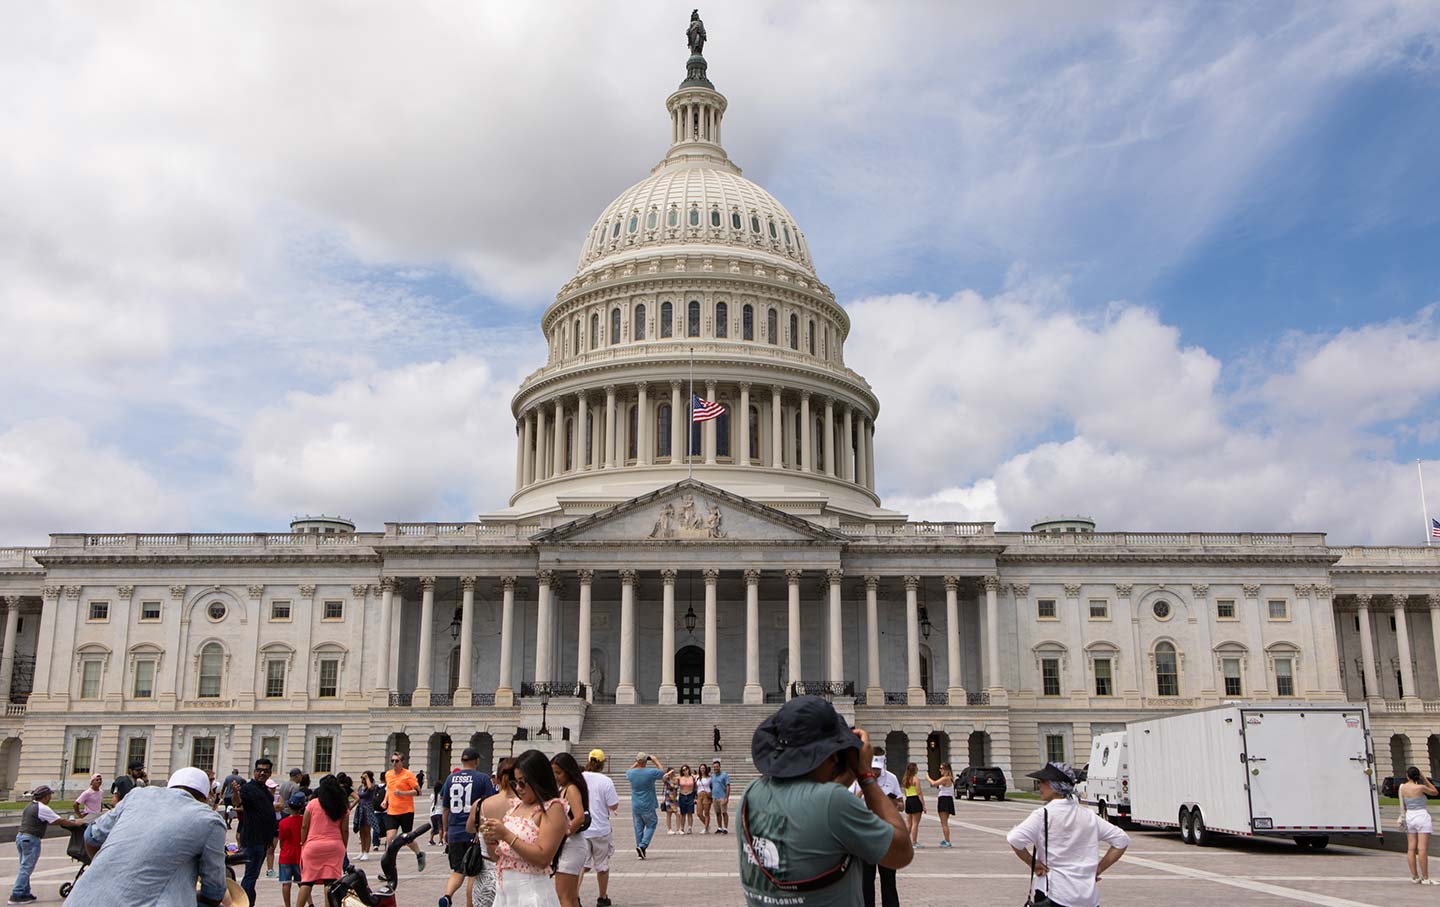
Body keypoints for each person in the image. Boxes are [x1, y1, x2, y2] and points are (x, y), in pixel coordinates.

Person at [737, 696, 912, 906]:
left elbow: (811, 813)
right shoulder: (833, 803)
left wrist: (845, 776)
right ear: (830, 754)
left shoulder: (751, 794)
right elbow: (901, 852)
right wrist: (864, 774)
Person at [67, 767, 227, 906]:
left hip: (81, 899)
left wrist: (107, 870)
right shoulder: (209, 820)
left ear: (169, 787)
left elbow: (91, 836)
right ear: (204, 798)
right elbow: (214, 891)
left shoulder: (137, 796)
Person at [1007, 763, 1130, 907]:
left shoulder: (1043, 815)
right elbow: (1121, 840)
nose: (1039, 787)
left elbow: (1014, 839)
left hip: (1054, 892)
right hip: (1087, 896)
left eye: (1043, 782)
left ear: (1054, 786)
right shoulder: (1088, 815)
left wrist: (1032, 863)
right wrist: (1099, 868)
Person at [479, 749, 566, 907]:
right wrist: (491, 840)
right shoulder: (516, 806)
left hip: (531, 893)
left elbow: (543, 858)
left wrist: (505, 835)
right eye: (515, 783)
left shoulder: (552, 808)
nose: (518, 788)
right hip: (505, 892)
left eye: (522, 782)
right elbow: (498, 857)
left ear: (538, 780)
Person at [441, 747, 498, 907]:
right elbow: (488, 805)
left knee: (458, 870)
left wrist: (445, 830)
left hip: (454, 830)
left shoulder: (451, 778)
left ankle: (447, 895)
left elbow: (445, 808)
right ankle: (470, 904)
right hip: (473, 832)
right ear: (476, 761)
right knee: (474, 872)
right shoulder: (482, 778)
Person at [9, 785, 84, 904]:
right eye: (49, 795)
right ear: (45, 796)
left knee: (25, 866)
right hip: (31, 839)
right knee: (26, 868)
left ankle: (25, 893)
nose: (50, 798)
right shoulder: (42, 808)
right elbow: (58, 820)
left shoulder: (30, 806)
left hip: (21, 837)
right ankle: (16, 894)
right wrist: (75, 823)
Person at [849, 749, 903, 907]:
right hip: (865, 835)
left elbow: (901, 805)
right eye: (872, 768)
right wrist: (863, 789)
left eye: (878, 769)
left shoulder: (891, 778)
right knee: (866, 880)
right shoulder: (856, 779)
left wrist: (891, 802)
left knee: (889, 880)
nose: (875, 772)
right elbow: (848, 803)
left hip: (887, 835)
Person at [469, 757, 517, 907]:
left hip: (486, 873)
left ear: (497, 778)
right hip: (514, 872)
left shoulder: (481, 804)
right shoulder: (524, 805)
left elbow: (470, 828)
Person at [234, 756, 280, 906]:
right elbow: (238, 802)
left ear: (270, 773)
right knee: (250, 876)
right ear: (254, 771)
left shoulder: (265, 791)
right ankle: (243, 903)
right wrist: (235, 793)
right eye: (259, 770)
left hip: (263, 842)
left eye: (265, 771)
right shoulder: (248, 789)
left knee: (252, 877)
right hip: (253, 840)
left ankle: (248, 903)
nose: (262, 773)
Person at [297, 775, 349, 907]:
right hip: (334, 845)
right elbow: (345, 830)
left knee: (307, 882)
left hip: (313, 845)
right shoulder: (342, 807)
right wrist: (344, 845)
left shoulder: (313, 803)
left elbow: (304, 826)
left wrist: (303, 842)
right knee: (330, 882)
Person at [550, 752, 592, 907]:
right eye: (553, 772)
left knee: (564, 896)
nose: (556, 776)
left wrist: (564, 834)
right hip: (573, 845)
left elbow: (579, 816)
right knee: (572, 896)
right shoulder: (565, 788)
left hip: (570, 846)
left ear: (569, 771)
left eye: (559, 773)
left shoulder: (571, 789)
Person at [580, 750, 619, 907]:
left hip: (582, 828)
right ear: (603, 764)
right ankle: (602, 897)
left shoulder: (579, 778)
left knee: (581, 865)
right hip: (601, 828)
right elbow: (613, 805)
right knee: (602, 866)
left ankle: (574, 896)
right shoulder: (606, 781)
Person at [382, 751, 426, 871]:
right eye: (392, 761)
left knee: (407, 839)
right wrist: (385, 800)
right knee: (389, 838)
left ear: (402, 762)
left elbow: (418, 792)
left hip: (406, 811)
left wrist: (402, 793)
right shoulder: (388, 774)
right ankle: (388, 868)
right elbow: (389, 789)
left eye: (397, 761)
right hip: (392, 811)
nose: (394, 763)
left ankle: (419, 854)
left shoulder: (408, 775)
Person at [1401, 765, 1440, 884]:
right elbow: (1435, 792)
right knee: (1422, 849)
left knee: (1411, 848)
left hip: (1410, 817)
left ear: (1407, 775)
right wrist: (1425, 778)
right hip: (1422, 816)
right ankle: (1426, 877)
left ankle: (1415, 876)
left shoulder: (1403, 787)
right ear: (1418, 775)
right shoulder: (1421, 787)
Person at [625, 752, 665, 860]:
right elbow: (662, 772)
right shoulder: (650, 772)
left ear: (637, 761)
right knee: (652, 824)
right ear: (646, 762)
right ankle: (643, 845)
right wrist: (655, 760)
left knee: (638, 828)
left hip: (636, 805)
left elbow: (628, 771)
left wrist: (636, 763)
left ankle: (640, 850)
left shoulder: (632, 773)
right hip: (648, 804)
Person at [277, 792, 305, 907]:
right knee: (304, 883)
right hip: (299, 855)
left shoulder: (283, 822)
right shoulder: (304, 821)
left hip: (285, 855)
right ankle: (309, 903)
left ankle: (287, 905)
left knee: (286, 883)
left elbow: (281, 840)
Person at [927, 763, 956, 848]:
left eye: (941, 768)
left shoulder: (946, 778)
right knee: (944, 822)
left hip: (944, 800)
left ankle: (947, 841)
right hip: (947, 799)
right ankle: (946, 839)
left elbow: (934, 783)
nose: (940, 770)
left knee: (944, 823)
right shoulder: (949, 778)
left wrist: (927, 777)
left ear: (946, 770)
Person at [355, 770, 380, 860]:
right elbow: (358, 797)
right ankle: (362, 851)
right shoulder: (360, 787)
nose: (362, 779)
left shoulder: (372, 786)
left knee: (367, 830)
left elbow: (370, 788)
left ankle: (367, 852)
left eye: (364, 777)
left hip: (368, 809)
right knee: (361, 831)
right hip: (360, 808)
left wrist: (367, 778)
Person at [901, 763, 924, 847]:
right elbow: (919, 792)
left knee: (908, 823)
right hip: (915, 800)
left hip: (908, 800)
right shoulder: (915, 779)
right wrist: (923, 805)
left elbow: (905, 792)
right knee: (915, 823)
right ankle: (914, 842)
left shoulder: (905, 779)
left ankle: (905, 842)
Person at [711, 760, 732, 835]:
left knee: (724, 812)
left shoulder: (724, 775)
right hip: (715, 797)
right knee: (717, 813)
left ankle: (725, 828)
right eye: (714, 767)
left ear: (720, 767)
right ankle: (719, 827)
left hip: (722, 796)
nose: (715, 768)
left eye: (717, 767)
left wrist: (727, 797)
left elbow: (728, 786)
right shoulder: (713, 775)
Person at [676, 764, 697, 834]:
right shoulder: (680, 778)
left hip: (690, 795)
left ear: (689, 769)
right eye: (683, 770)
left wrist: (695, 797)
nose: (685, 771)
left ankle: (690, 827)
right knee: (683, 813)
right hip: (682, 795)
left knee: (690, 813)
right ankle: (682, 827)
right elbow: (674, 783)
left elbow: (697, 784)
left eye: (686, 769)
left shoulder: (692, 777)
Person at [661, 765, 680, 835]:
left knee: (678, 814)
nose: (673, 773)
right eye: (671, 772)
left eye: (673, 772)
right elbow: (663, 778)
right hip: (668, 798)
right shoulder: (667, 779)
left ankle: (678, 829)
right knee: (669, 814)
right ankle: (669, 829)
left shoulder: (676, 779)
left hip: (675, 799)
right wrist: (668, 773)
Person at [697, 763, 713, 833]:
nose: (702, 770)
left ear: (706, 769)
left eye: (703, 768)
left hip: (707, 794)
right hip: (699, 795)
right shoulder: (697, 778)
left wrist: (711, 795)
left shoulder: (709, 778)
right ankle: (707, 825)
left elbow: (712, 787)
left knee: (706, 813)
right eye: (701, 768)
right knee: (699, 813)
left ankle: (706, 828)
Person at [430, 778, 446, 845]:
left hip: (432, 813)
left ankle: (431, 840)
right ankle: (440, 840)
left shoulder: (432, 795)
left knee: (434, 827)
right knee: (440, 827)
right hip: (440, 812)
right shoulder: (442, 796)